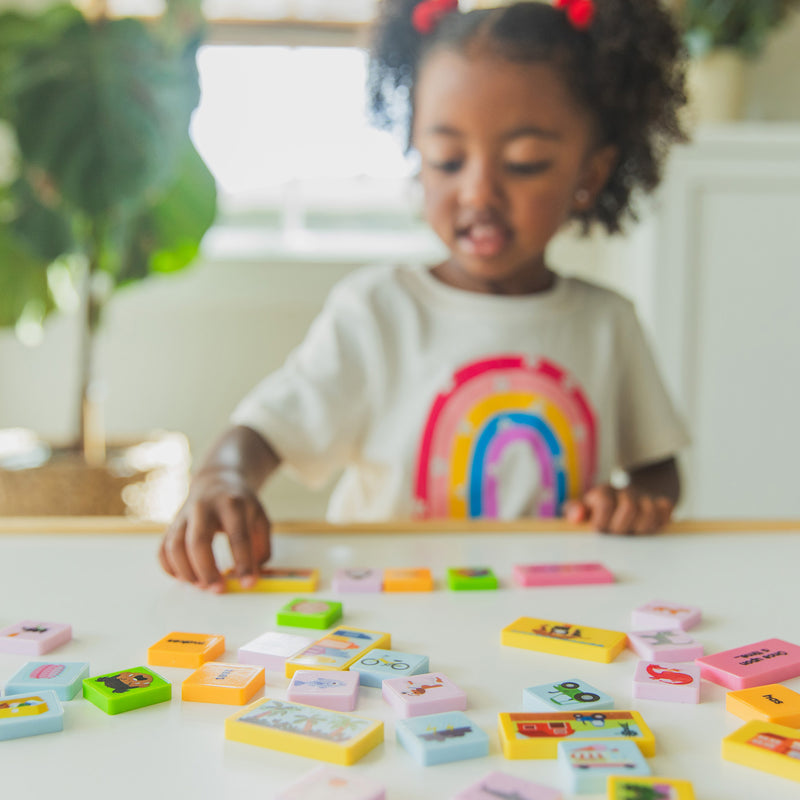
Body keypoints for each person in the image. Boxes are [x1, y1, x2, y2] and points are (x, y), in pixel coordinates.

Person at [159, 0, 690, 592]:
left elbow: (658, 470)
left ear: (590, 174)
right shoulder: (378, 310)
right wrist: (222, 477)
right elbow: (264, 432)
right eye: (447, 158)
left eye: (524, 163)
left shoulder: (607, 322)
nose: (478, 191)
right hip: (387, 612)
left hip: (546, 614)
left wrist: (636, 503)